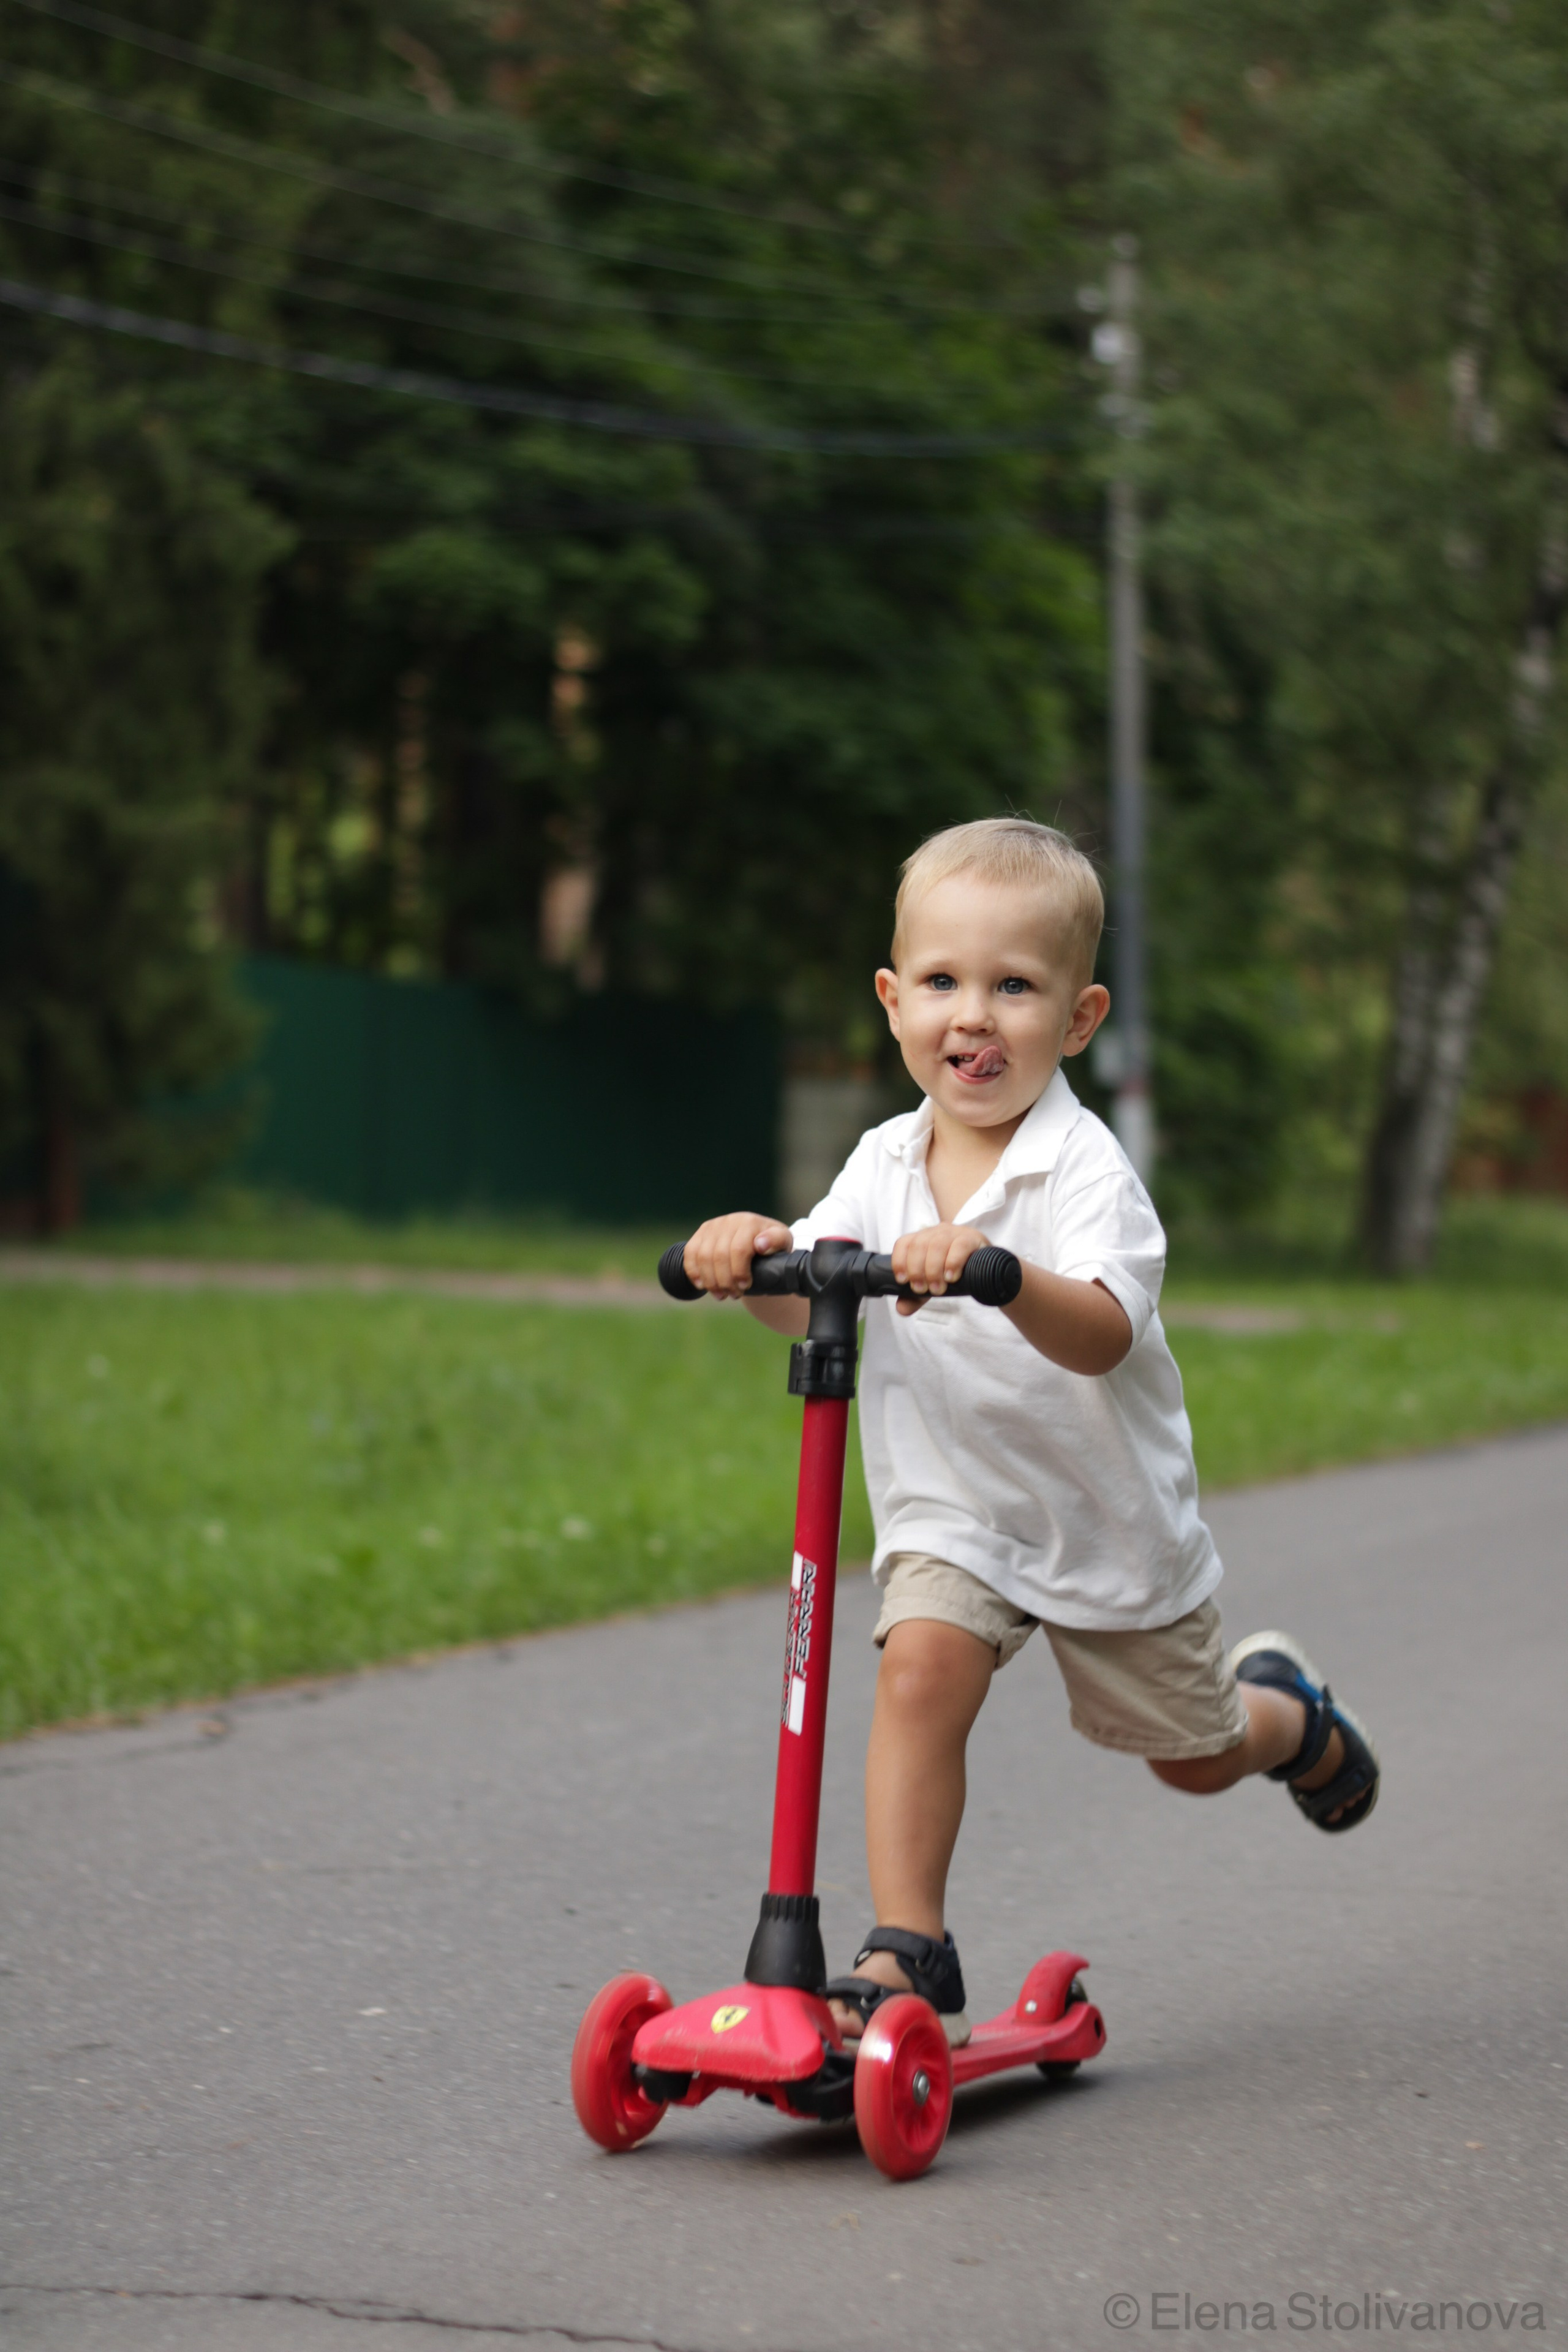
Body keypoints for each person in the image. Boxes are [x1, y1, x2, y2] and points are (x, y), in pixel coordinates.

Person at [680, 816, 1379, 2050]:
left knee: (1193, 1756)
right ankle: (907, 1952)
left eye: (1014, 987)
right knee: (918, 1671)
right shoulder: (882, 1160)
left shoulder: (1087, 1173)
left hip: (1104, 1520)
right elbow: (815, 1289)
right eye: (942, 983)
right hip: (956, 1511)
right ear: (893, 1001)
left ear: (1078, 1017)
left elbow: (1102, 1332)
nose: (974, 1016)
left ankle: (1287, 1714)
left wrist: (997, 1273)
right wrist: (751, 1258)